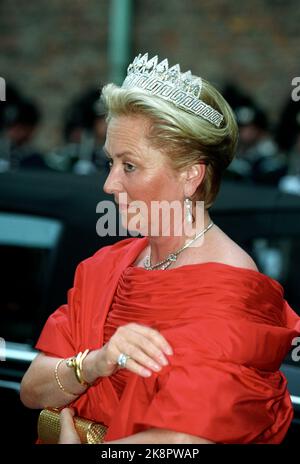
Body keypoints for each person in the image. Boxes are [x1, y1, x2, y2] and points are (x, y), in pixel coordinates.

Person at [20, 53, 300, 444]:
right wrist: (96, 362)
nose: (110, 184)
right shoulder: (108, 264)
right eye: (111, 163)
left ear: (191, 175)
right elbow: (32, 388)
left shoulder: (230, 288)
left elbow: (186, 441)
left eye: (129, 166)